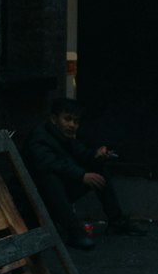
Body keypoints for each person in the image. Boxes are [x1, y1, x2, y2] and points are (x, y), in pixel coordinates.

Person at [23, 98, 146, 250]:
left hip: (57, 196)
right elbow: (50, 163)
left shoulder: (64, 137)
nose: (72, 125)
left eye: (76, 121)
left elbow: (81, 153)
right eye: (67, 119)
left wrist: (96, 155)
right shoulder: (39, 137)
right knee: (49, 178)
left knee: (98, 169)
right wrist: (82, 175)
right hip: (32, 200)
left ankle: (117, 221)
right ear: (54, 119)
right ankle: (74, 232)